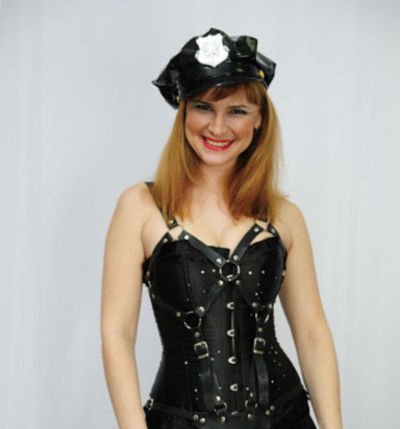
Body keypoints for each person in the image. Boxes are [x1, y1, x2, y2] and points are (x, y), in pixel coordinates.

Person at [101, 28, 343, 429]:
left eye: (237, 111)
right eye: (203, 107)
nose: (217, 127)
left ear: (260, 119)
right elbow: (117, 333)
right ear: (183, 112)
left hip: (283, 418)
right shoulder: (140, 207)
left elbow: (313, 334)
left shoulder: (284, 216)